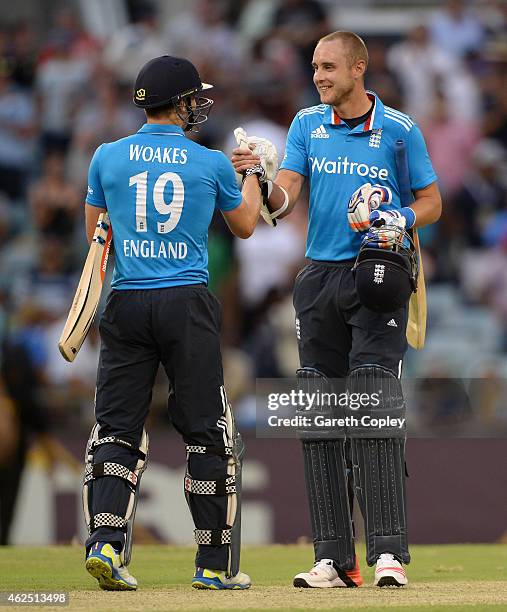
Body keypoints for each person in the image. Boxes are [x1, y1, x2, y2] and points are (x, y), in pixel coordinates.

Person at [232, 31, 441, 588]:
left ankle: (388, 555)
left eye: (329, 67)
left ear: (359, 68)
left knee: (372, 401)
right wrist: (258, 173)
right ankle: (333, 558)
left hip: (378, 272)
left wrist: (400, 217)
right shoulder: (305, 125)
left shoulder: (399, 131)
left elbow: (432, 200)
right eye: (315, 67)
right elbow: (284, 201)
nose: (319, 75)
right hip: (320, 277)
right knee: (320, 413)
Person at [82, 55, 260, 591]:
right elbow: (247, 225)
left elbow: (98, 237)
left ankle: (107, 547)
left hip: (127, 300)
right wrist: (250, 173)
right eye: (193, 98)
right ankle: (211, 565)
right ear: (180, 103)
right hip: (186, 300)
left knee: (115, 428)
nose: (197, 106)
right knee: (208, 434)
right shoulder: (210, 163)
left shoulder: (106, 157)